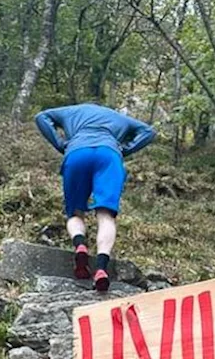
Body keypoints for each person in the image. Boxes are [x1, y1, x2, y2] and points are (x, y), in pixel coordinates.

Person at [34, 103, 156, 292]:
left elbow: (41, 116)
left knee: (75, 212)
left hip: (77, 152)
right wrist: (124, 149)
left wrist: (60, 144)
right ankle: (100, 268)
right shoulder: (120, 118)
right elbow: (148, 131)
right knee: (106, 215)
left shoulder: (71, 110)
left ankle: (80, 245)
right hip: (109, 155)